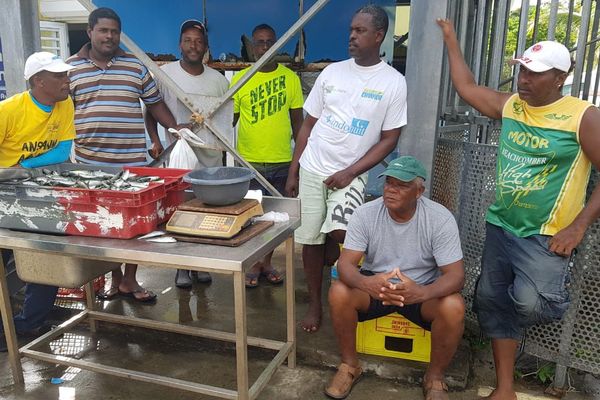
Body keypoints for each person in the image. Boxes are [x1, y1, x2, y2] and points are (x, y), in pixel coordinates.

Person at [437, 19, 600, 400]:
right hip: (501, 226)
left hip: (546, 235)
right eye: (522, 70)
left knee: (530, 302)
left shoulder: (583, 116)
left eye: (535, 74)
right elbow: (466, 88)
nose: (524, 79)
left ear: (560, 78)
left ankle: (544, 301)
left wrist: (577, 228)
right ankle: (504, 388)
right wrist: (450, 39)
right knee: (492, 302)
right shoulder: (513, 106)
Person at [285, 4, 407, 332]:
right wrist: (294, 171)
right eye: (351, 30)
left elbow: (390, 139)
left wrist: (352, 172)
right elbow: (307, 127)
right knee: (309, 240)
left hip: (350, 175)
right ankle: (316, 304)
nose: (351, 36)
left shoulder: (393, 82)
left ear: (379, 36)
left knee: (344, 236)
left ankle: (349, 292)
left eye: (360, 31)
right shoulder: (332, 73)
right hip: (313, 168)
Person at [326, 156, 465, 400]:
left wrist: (422, 292)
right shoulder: (366, 213)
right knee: (339, 291)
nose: (391, 190)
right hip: (375, 287)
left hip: (419, 291)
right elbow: (346, 264)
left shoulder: (439, 218)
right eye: (388, 183)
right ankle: (349, 366)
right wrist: (365, 282)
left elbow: (456, 276)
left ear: (419, 191)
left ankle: (434, 377)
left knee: (454, 306)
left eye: (401, 185)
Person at [67, 7, 180, 302]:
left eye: (114, 32)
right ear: (90, 32)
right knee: (104, 226)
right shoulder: (69, 69)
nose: (109, 37)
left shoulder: (135, 66)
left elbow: (155, 103)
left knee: (136, 226)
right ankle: (114, 279)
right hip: (91, 165)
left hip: (132, 162)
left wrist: (176, 128)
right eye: (103, 30)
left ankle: (130, 279)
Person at [144, 19, 229, 288]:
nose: (194, 46)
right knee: (179, 209)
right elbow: (151, 110)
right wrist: (156, 140)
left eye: (199, 41)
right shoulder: (165, 75)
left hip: (209, 156)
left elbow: (229, 116)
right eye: (188, 40)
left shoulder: (218, 80)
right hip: (177, 155)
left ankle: (202, 262)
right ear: (180, 44)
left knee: (207, 211)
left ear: (206, 46)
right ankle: (182, 266)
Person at [0, 51, 75, 351]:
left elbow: (62, 152)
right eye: (59, 76)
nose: (66, 81)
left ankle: (30, 322)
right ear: (38, 81)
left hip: (38, 191)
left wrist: (23, 168)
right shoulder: (8, 111)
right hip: (3, 193)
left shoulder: (65, 104)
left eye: (66, 75)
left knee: (47, 256)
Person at [230, 23, 304, 288]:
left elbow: (299, 124)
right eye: (259, 42)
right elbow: (229, 122)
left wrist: (297, 165)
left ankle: (266, 262)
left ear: (276, 45)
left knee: (275, 219)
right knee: (250, 217)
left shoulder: (290, 79)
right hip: (249, 163)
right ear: (252, 45)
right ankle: (253, 263)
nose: (263, 47)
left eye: (269, 42)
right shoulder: (240, 79)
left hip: (282, 160)